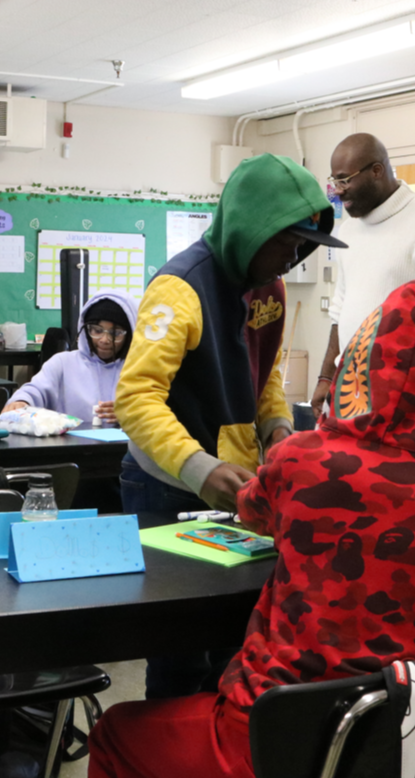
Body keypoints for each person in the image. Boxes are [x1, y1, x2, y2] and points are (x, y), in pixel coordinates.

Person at [86, 279, 415, 778]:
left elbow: (253, 510)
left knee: (114, 731)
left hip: (266, 736)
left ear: (359, 366)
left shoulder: (300, 460)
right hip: (395, 741)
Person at [114, 152, 347, 699]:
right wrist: (197, 467)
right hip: (167, 483)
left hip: (236, 482)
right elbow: (136, 397)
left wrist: (278, 431)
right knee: (179, 651)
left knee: (233, 642)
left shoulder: (271, 288)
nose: (293, 259)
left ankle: (219, 737)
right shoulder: (179, 287)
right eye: (286, 243)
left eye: (303, 247)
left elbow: (263, 375)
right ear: (250, 228)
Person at [311, 132, 415, 418]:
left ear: (376, 171)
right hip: (348, 389)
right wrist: (326, 377)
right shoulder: (349, 230)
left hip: (400, 398)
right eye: (334, 181)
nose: (338, 191)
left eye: (345, 180)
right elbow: (340, 310)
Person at [3, 290, 137, 424]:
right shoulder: (63, 363)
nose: (104, 340)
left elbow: (149, 409)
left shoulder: (138, 369)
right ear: (86, 329)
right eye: (97, 330)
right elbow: (35, 389)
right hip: (70, 438)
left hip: (125, 438)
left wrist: (132, 415)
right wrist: (21, 401)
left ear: (131, 334)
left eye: (116, 333)